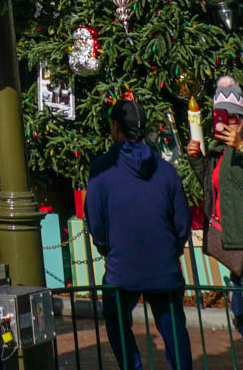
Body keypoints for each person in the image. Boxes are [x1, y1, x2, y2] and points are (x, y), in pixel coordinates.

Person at [86, 99, 192, 370]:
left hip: (122, 268)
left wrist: (107, 248)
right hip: (164, 267)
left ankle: (132, 366)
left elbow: (96, 222)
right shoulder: (167, 170)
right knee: (173, 328)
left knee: (116, 319)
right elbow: (182, 222)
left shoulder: (101, 169)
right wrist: (172, 250)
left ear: (116, 128)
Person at [187, 75, 243, 337]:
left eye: (233, 118)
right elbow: (211, 187)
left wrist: (241, 146)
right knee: (240, 317)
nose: (227, 124)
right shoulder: (219, 151)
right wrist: (197, 159)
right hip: (232, 246)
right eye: (222, 117)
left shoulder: (239, 147)